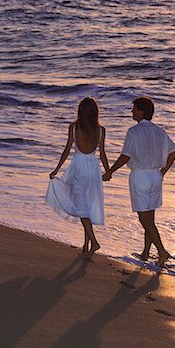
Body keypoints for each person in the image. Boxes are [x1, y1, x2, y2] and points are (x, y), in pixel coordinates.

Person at [103, 96, 175, 268]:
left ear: (141, 111)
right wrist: (163, 172)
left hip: (140, 176)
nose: (132, 112)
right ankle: (145, 252)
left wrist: (110, 171)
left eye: (134, 109)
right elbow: (174, 152)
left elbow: (126, 156)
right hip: (155, 176)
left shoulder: (133, 132)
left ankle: (161, 251)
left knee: (144, 220)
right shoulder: (160, 131)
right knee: (150, 217)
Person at [46, 97, 110, 259]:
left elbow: (67, 150)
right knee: (86, 206)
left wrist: (56, 169)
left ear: (80, 111)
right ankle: (86, 244)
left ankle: (94, 242)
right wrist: (108, 171)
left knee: (82, 208)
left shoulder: (74, 127)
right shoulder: (101, 129)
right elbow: (102, 154)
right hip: (93, 169)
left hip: (79, 168)